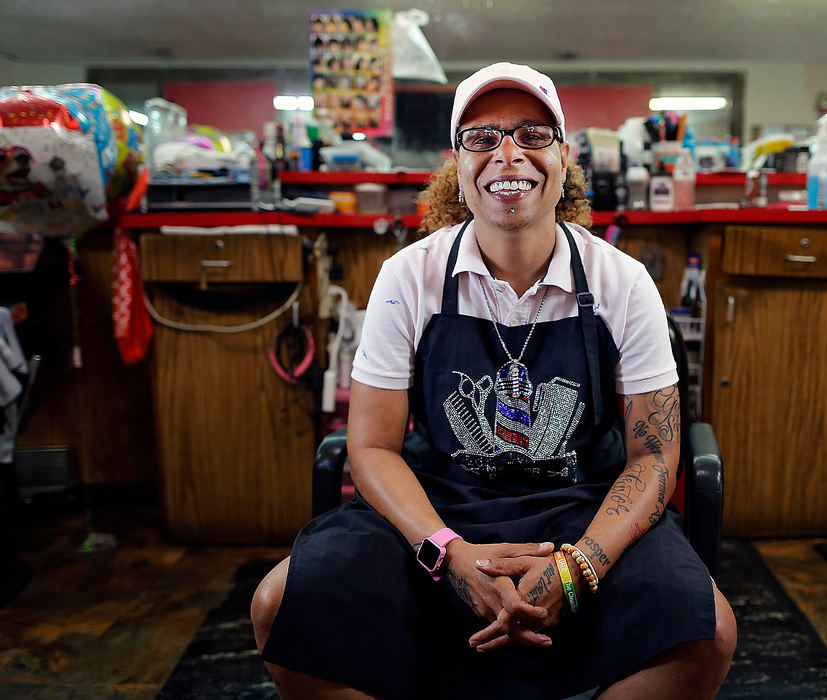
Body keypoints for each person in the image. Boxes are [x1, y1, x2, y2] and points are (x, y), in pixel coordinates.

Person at [251, 62, 736, 700]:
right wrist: (447, 552)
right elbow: (369, 447)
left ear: (564, 158)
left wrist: (578, 568)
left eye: (532, 135)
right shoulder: (409, 278)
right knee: (278, 604)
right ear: (459, 162)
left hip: (582, 507)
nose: (508, 154)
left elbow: (654, 455)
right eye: (483, 138)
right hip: (440, 504)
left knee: (708, 634)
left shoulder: (622, 283)